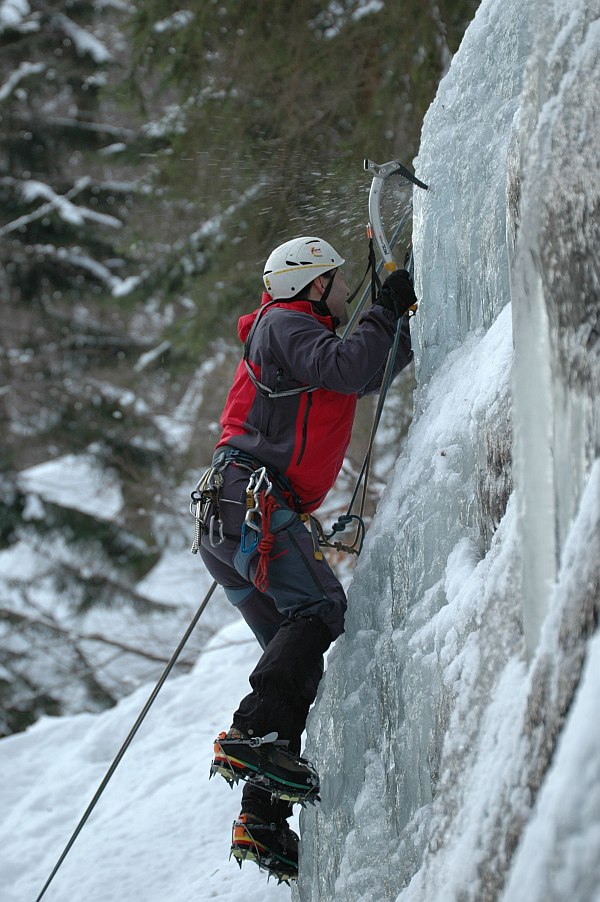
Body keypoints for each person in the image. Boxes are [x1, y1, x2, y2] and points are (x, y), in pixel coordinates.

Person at [197, 235, 416, 882]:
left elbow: (367, 367)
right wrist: (385, 308)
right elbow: (352, 365)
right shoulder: (286, 322)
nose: (345, 292)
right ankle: (254, 734)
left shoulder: (295, 338)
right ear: (313, 285)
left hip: (237, 515)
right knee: (319, 608)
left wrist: (397, 320)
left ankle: (261, 818)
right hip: (253, 505)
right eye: (339, 282)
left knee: (297, 654)